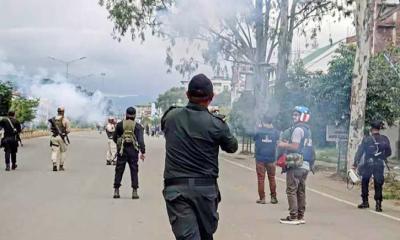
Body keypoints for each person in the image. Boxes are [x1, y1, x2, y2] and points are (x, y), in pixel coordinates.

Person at [161, 73, 238, 240]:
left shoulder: (170, 117)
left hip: (177, 190)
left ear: (187, 95)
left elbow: (165, 126)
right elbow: (232, 147)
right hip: (205, 191)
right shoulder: (217, 124)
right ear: (211, 98)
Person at [277, 106, 314, 225]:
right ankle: (300, 215)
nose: (294, 117)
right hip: (306, 164)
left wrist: (282, 144)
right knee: (301, 191)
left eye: (297, 115)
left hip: (296, 163)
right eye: (293, 114)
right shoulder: (308, 130)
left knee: (291, 190)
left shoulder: (298, 130)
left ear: (303, 116)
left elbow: (295, 147)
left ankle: (293, 216)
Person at [352, 120, 391, 212]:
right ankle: (378, 204)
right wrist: (382, 156)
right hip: (380, 163)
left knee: (365, 181)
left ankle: (365, 202)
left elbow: (360, 152)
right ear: (379, 129)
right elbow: (389, 152)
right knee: (378, 183)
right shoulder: (384, 139)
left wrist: (355, 164)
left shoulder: (367, 139)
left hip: (368, 164)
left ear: (371, 129)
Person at [113, 107, 145, 199]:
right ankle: (134, 192)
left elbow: (115, 138)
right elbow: (141, 141)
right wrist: (143, 151)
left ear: (126, 114)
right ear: (135, 115)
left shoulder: (119, 125)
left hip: (122, 151)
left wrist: (120, 145)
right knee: (134, 170)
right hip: (133, 151)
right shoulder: (138, 126)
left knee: (119, 170)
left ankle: (116, 190)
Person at [254, 115, 280, 204]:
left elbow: (254, 138)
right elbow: (277, 142)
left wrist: (258, 127)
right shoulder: (276, 132)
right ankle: (273, 197)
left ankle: (262, 198)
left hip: (260, 158)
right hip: (271, 158)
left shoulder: (258, 131)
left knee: (261, 179)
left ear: (263, 122)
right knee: (272, 178)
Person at [49, 107, 70, 172]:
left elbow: (50, 128)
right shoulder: (65, 120)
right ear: (63, 112)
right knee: (63, 151)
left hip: (54, 137)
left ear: (57, 112)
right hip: (61, 137)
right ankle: (61, 166)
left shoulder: (53, 119)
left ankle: (54, 164)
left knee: (54, 151)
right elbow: (68, 130)